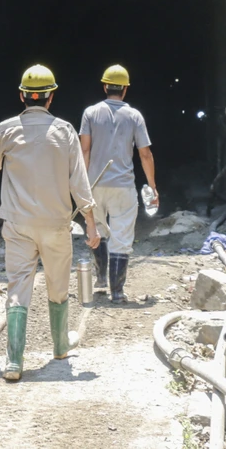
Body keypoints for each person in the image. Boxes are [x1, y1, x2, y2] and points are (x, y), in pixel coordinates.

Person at [0, 64, 100, 381]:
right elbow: (79, 182)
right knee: (58, 284)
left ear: (22, 96)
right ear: (51, 96)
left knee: (18, 286)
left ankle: (13, 361)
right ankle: (60, 346)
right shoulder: (64, 131)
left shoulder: (6, 129)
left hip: (18, 224)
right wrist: (91, 222)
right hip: (56, 224)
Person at [79, 64, 157, 303]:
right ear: (125, 89)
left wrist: (82, 185)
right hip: (123, 186)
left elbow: (84, 150)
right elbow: (145, 154)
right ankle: (117, 293)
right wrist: (152, 187)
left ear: (105, 87)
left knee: (98, 230)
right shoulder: (134, 116)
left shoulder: (90, 113)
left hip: (95, 184)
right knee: (121, 237)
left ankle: (101, 279)